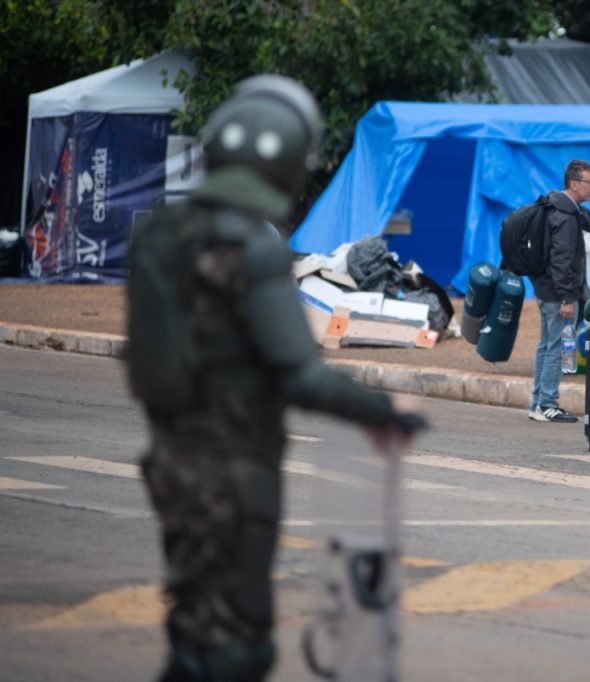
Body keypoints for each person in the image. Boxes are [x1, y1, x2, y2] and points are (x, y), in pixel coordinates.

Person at [125, 75, 425, 682]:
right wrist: (384, 414)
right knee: (236, 648)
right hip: (236, 472)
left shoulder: (160, 236)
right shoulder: (254, 248)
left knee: (196, 629)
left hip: (172, 462)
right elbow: (302, 376)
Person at [527, 159, 590, 423]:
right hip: (560, 295)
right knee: (555, 346)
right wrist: (568, 297)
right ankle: (547, 403)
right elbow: (563, 259)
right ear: (575, 184)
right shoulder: (566, 215)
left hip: (545, 289)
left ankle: (537, 403)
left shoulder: (551, 207)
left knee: (546, 345)